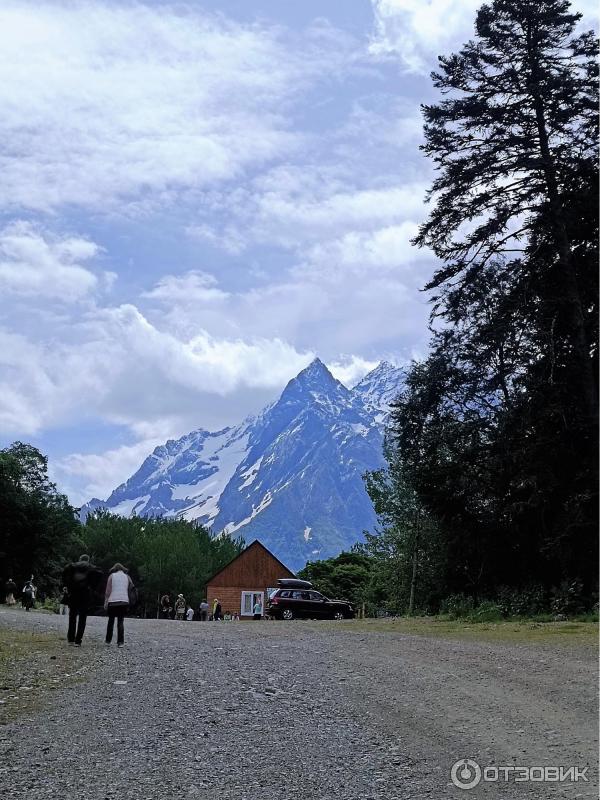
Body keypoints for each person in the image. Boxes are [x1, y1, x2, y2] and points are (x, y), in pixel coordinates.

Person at [62, 555, 103, 646]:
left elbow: (64, 572)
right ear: (88, 560)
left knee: (72, 616)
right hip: (85, 594)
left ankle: (71, 640)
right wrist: (93, 586)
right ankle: (78, 641)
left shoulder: (72, 566)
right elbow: (100, 573)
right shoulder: (91, 567)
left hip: (73, 593)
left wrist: (67, 585)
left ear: (79, 559)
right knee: (82, 618)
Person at [104, 563, 134, 647]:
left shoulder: (111, 576)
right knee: (120, 621)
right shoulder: (127, 577)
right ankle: (120, 642)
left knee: (111, 621)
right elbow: (131, 588)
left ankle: (108, 640)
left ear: (114, 569)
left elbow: (108, 591)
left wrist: (106, 602)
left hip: (113, 601)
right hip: (124, 601)